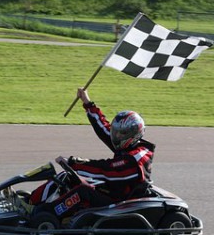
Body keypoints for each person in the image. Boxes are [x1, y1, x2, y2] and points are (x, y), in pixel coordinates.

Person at [20, 88, 156, 218]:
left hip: (121, 202)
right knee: (67, 177)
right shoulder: (128, 145)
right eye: (116, 132)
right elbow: (104, 129)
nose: (115, 136)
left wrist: (75, 163)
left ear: (133, 134)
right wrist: (87, 102)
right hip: (114, 188)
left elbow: (106, 169)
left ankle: (44, 215)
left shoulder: (136, 157)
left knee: (82, 191)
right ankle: (30, 201)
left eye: (120, 134)